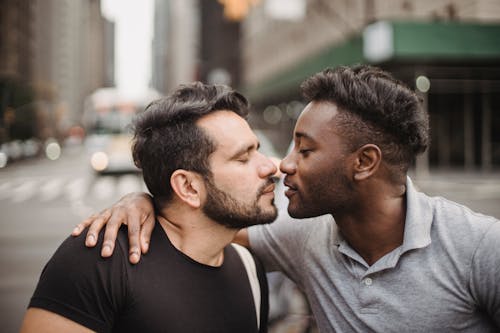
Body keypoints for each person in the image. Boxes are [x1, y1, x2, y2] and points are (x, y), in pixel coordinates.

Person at [74, 65, 500, 332]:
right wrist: (147, 199)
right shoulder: (303, 234)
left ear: (364, 162)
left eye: (306, 150)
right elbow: (201, 221)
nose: (283, 165)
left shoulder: (479, 246)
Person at [21, 82, 278, 333]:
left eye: (257, 150)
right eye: (243, 158)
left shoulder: (249, 268)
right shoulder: (99, 260)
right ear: (188, 187)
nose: (269, 167)